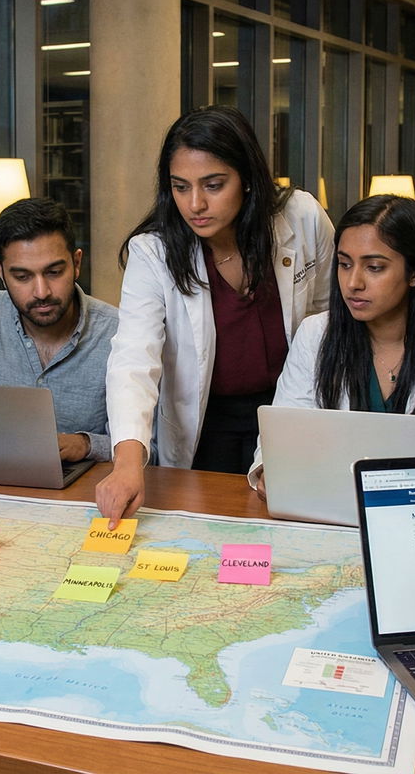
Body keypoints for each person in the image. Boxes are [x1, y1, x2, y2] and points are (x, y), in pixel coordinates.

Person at [99, 105, 334, 522]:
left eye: (213, 185)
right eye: (180, 187)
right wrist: (127, 463)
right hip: (207, 422)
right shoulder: (154, 251)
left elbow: (326, 323)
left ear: (247, 179)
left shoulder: (302, 217)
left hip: (291, 410)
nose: (195, 204)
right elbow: (134, 358)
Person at [249, 195, 415, 487]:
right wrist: (272, 470)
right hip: (332, 512)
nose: (353, 283)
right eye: (344, 264)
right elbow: (281, 437)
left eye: (374, 267)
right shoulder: (315, 335)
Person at [0, 197, 118, 461]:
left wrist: (86, 444)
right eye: (22, 277)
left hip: (84, 489)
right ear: (1, 273)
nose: (41, 292)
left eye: (54, 272)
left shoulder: (118, 332)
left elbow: (152, 448)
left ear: (77, 263)